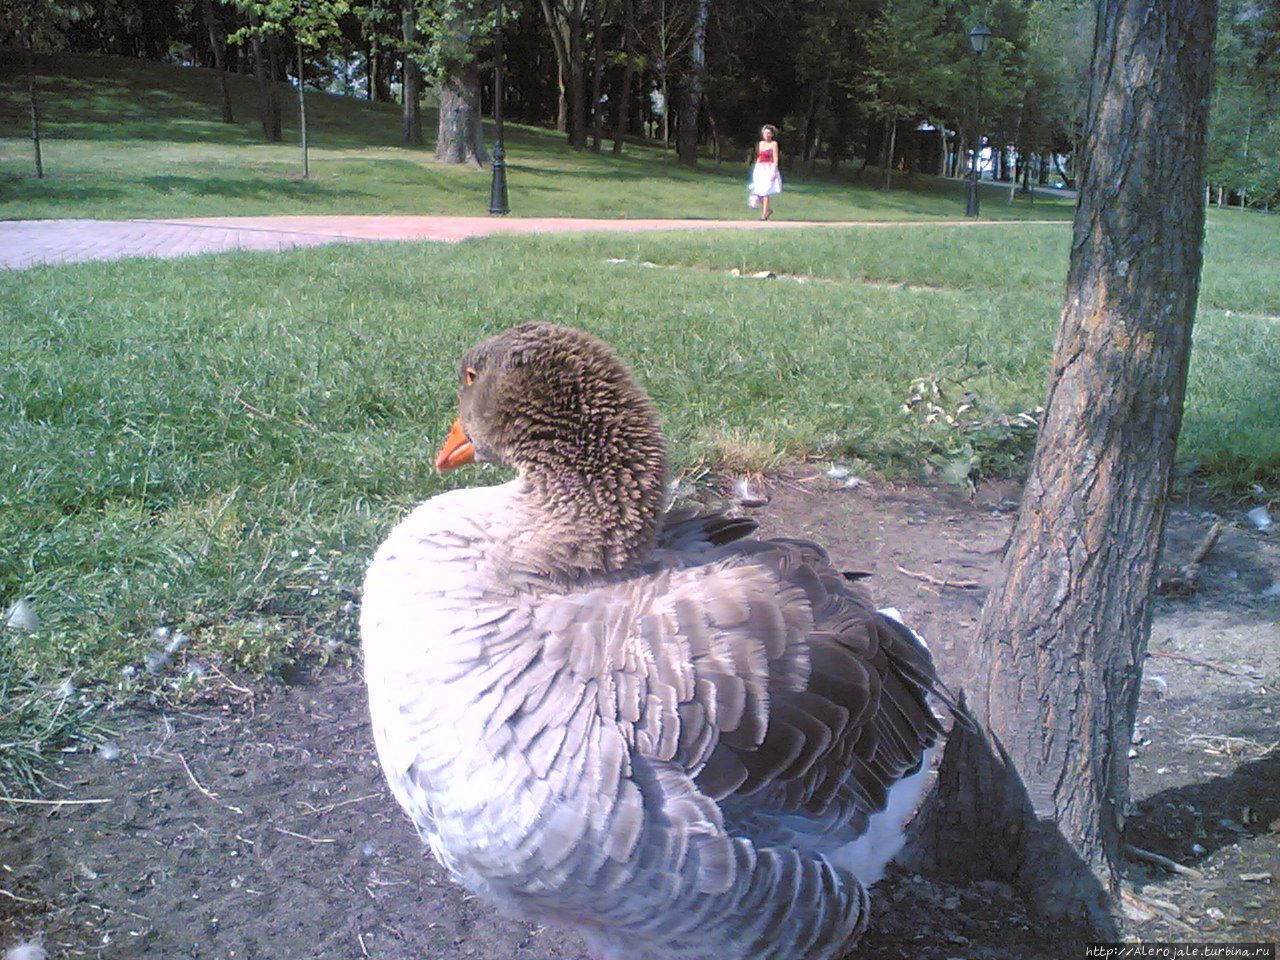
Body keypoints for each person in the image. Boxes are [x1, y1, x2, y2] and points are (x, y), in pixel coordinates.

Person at [748, 124, 782, 220]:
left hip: (769, 168)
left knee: (766, 192)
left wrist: (774, 171)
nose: (767, 135)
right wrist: (756, 170)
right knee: (759, 192)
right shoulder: (760, 144)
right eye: (765, 133)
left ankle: (763, 215)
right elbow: (758, 157)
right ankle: (768, 209)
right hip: (760, 168)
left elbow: (775, 158)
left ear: (772, 134)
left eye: (769, 133)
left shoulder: (774, 144)